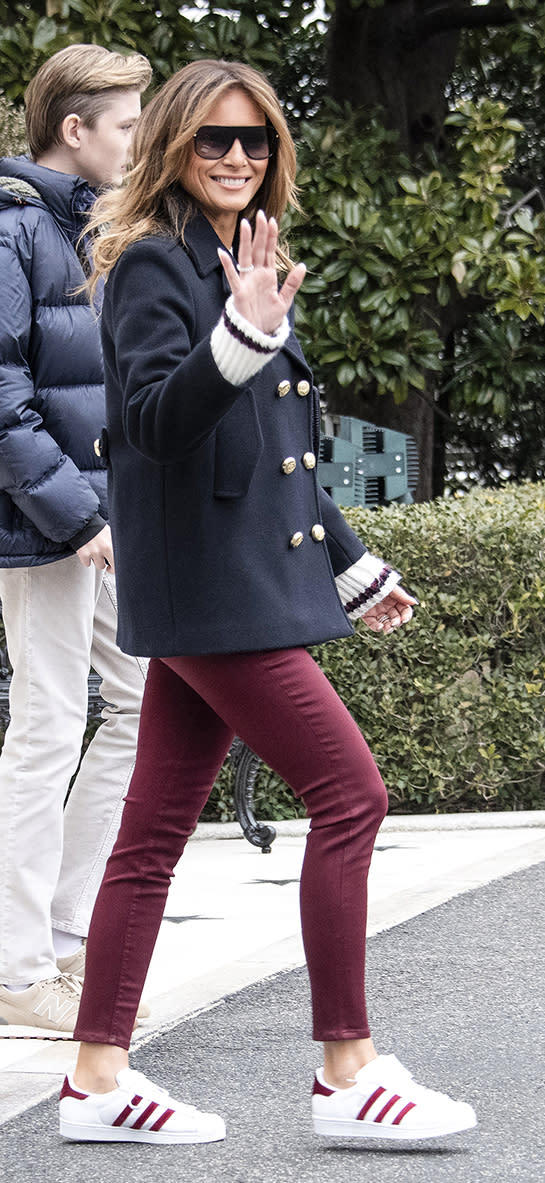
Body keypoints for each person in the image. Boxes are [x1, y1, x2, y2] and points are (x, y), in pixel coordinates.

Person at [58, 59, 477, 1145]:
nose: (236, 157)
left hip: (225, 584)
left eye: (253, 139)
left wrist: (349, 562)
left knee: (150, 832)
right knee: (352, 796)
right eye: (212, 140)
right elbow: (153, 424)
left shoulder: (242, 256)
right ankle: (346, 1072)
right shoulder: (155, 265)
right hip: (209, 594)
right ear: (174, 150)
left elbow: (279, 453)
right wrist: (236, 340)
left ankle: (97, 1080)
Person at [0, 44, 152, 1038]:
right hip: (40, 524)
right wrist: (78, 514)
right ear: (74, 131)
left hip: (103, 518)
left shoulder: (96, 230)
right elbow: (4, 395)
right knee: (50, 722)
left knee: (144, 705)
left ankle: (64, 936)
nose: (141, 143)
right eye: (129, 125)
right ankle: (17, 968)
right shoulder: (12, 231)